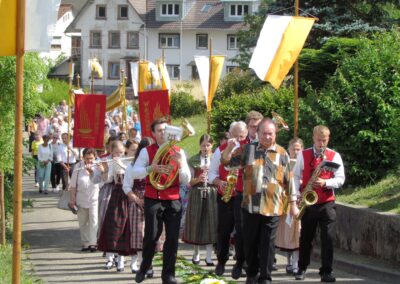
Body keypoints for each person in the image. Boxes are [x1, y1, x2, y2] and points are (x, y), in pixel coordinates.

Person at [221, 118, 295, 284]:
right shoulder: (247, 149)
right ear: (258, 133)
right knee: (250, 243)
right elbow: (226, 164)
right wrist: (229, 148)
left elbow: (289, 181)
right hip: (250, 207)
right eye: (264, 133)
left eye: (270, 134)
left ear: (275, 134)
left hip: (273, 207)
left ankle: (265, 277)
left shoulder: (282, 153)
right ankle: (251, 275)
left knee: (268, 245)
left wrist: (293, 204)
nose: (267, 137)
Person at [133, 118, 190, 284]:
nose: (162, 133)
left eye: (165, 130)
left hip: (173, 200)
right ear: (153, 133)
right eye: (159, 130)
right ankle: (145, 266)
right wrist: (151, 168)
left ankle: (168, 275)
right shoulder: (147, 151)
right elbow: (135, 172)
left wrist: (180, 164)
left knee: (172, 239)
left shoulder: (179, 151)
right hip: (153, 198)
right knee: (151, 236)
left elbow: (186, 180)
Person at [292, 125, 345, 282]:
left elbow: (341, 179)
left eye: (324, 140)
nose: (321, 144)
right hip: (308, 202)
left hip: (327, 202)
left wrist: (326, 182)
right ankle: (301, 268)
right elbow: (295, 176)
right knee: (305, 237)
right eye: (318, 140)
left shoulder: (334, 156)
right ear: (313, 138)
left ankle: (326, 271)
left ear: (328, 139)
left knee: (327, 238)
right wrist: (296, 195)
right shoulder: (303, 154)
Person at [209, 121, 248, 279]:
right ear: (229, 135)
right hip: (225, 196)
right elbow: (211, 174)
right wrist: (220, 182)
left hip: (242, 196)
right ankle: (221, 261)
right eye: (235, 136)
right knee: (224, 231)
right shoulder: (220, 150)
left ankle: (239, 264)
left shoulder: (248, 149)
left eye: (242, 136)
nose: (238, 139)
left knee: (241, 232)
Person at [123, 137, 161, 277]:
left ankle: (149, 264)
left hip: (155, 200)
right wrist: (137, 200)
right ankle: (144, 265)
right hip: (137, 201)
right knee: (139, 234)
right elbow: (126, 186)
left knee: (153, 234)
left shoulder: (157, 166)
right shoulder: (132, 166)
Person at [97, 140, 134, 272]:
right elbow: (108, 179)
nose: (119, 154)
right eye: (116, 152)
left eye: (121, 151)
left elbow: (132, 176)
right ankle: (110, 258)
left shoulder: (129, 161)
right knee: (112, 227)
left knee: (125, 229)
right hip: (117, 196)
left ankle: (121, 260)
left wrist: (121, 164)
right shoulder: (110, 162)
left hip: (129, 196)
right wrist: (105, 170)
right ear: (111, 152)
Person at [183, 134, 217, 266]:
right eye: (203, 145)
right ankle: (196, 254)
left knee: (211, 223)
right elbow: (189, 181)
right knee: (196, 222)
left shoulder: (215, 159)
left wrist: (211, 175)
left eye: (208, 145)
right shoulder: (193, 160)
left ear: (212, 146)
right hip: (197, 192)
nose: (205, 148)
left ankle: (209, 256)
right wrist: (199, 178)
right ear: (200, 146)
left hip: (211, 192)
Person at [275, 138, 304, 275]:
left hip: (300, 201)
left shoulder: (303, 163)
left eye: (298, 149)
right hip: (286, 202)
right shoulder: (284, 162)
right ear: (288, 150)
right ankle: (288, 262)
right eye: (293, 149)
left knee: (297, 233)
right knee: (287, 234)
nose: (296, 152)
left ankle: (296, 263)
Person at [69, 148, 104, 252]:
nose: (89, 160)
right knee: (82, 222)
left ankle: (93, 243)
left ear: (95, 157)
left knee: (94, 221)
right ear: (83, 157)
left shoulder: (98, 166)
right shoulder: (78, 166)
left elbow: (101, 182)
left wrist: (97, 171)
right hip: (81, 198)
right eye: (87, 158)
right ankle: (85, 243)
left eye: (91, 158)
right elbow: (73, 185)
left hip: (94, 198)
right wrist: (72, 199)